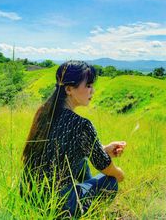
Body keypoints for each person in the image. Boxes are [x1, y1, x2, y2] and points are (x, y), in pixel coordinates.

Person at [21, 60, 126, 217]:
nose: (93, 91)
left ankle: (84, 191)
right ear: (69, 89)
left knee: (82, 161)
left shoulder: (43, 113)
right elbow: (106, 167)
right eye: (88, 85)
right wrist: (119, 174)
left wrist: (103, 150)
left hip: (31, 198)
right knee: (110, 181)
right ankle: (85, 212)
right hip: (61, 206)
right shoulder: (82, 124)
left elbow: (61, 154)